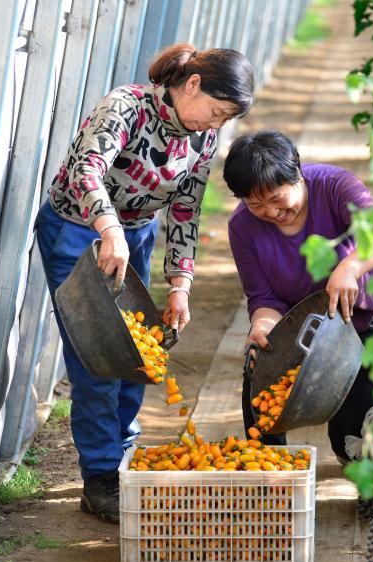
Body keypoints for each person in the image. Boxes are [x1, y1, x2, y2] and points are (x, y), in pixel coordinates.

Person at [34, 43, 254, 523]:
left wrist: (181, 285)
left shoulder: (202, 138)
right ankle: (99, 476)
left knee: (138, 344)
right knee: (94, 352)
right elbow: (85, 169)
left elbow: (186, 211)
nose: (213, 125)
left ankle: (125, 449)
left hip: (134, 234)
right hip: (77, 229)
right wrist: (108, 228)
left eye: (224, 120)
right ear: (192, 84)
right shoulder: (126, 106)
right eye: (215, 112)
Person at [224, 130, 373, 463]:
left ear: (298, 176)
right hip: (298, 336)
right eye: (256, 204)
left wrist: (350, 267)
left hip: (356, 324)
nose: (271, 212)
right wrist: (261, 327)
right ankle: (269, 465)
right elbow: (263, 298)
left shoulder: (334, 186)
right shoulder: (242, 227)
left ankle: (359, 460)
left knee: (355, 428)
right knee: (258, 372)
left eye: (277, 198)